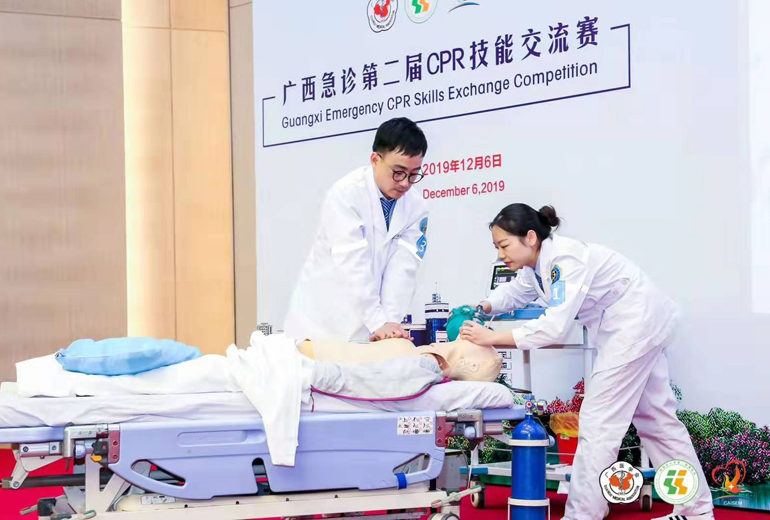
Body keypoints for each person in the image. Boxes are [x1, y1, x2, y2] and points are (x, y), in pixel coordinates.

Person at [459, 203, 714, 520]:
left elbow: (554, 328)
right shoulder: (535, 268)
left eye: (504, 245)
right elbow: (514, 293)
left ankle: (583, 514)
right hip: (637, 325)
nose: (500, 255)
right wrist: (484, 306)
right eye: (497, 247)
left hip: (634, 325)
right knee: (658, 422)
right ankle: (696, 511)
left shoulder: (564, 260)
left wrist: (490, 337)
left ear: (530, 237)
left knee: (598, 423)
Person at [284, 117, 430, 343]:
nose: (405, 183)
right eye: (398, 172)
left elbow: (403, 269)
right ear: (375, 160)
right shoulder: (346, 195)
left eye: (413, 174)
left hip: (371, 327)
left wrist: (390, 324)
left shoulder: (416, 206)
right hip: (323, 321)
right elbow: (352, 263)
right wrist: (377, 322)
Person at [297, 337, 502, 382]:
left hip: (307, 358)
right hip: (308, 352)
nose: (465, 337)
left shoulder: (422, 367)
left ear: (472, 365)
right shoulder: (417, 357)